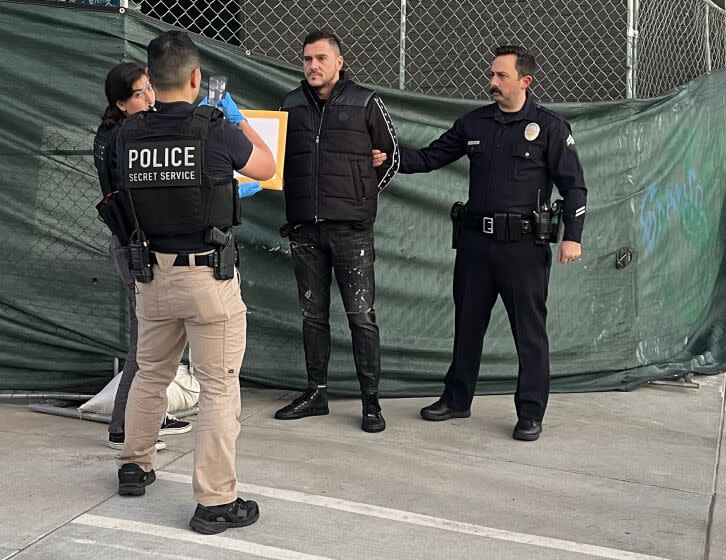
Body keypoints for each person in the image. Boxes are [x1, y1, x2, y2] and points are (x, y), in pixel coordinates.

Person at [110, 31, 275, 534]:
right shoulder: (214, 128)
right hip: (207, 276)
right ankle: (215, 502)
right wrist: (232, 113)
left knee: (149, 373)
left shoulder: (128, 135)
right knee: (219, 388)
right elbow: (267, 166)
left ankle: (135, 466)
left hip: (150, 274)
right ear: (197, 78)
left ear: (152, 82)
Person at [390, 45, 587, 441]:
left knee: (529, 333)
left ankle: (530, 412)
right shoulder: (474, 123)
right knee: (467, 326)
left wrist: (573, 238)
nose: (492, 82)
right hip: (476, 244)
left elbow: (574, 186)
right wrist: (386, 157)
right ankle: (456, 399)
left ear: (525, 81)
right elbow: (431, 157)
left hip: (524, 248)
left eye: (501, 76)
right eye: (492, 75)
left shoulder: (550, 127)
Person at [274, 30, 399, 433]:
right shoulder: (289, 105)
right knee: (313, 316)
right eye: (307, 59)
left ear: (339, 62)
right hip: (305, 231)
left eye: (321, 58)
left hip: (351, 233)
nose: (313, 65)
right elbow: (271, 161)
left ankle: (371, 402)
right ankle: (316, 393)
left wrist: (359, 196)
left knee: (361, 317)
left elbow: (391, 158)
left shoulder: (365, 101)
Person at [93, 61, 191, 451]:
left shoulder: (114, 133)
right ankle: (124, 428)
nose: (150, 97)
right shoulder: (126, 136)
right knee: (145, 342)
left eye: (151, 87)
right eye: (140, 93)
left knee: (151, 336)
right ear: (120, 103)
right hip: (136, 246)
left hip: (130, 243)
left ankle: (144, 414)